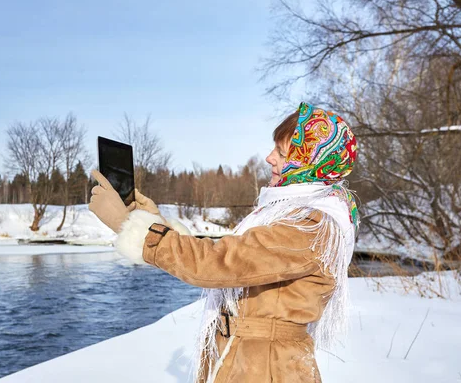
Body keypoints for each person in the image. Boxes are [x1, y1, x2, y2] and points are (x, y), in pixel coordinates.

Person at [89, 102, 358, 383]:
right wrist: (154, 221)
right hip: (252, 361)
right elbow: (235, 258)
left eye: (281, 152)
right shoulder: (295, 215)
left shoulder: (311, 225)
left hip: (269, 370)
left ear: (309, 164)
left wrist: (129, 227)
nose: (269, 158)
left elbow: (219, 263)